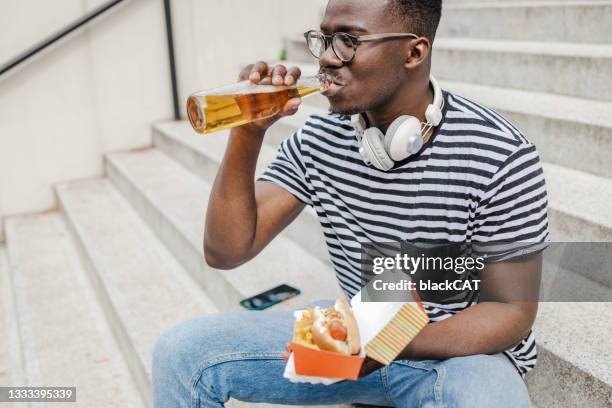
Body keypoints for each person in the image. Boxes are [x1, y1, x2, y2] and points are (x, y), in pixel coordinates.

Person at [152, 0, 549, 406]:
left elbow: (510, 313)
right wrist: (248, 133)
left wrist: (382, 345)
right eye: (325, 39)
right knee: (181, 353)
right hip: (360, 330)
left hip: (458, 354)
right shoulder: (319, 139)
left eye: (348, 41)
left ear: (414, 52)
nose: (327, 57)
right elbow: (226, 251)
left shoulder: (499, 153)